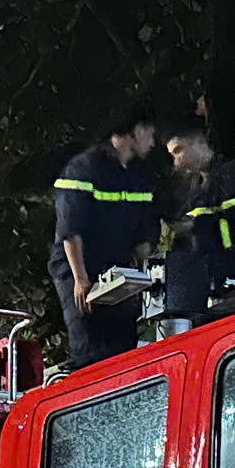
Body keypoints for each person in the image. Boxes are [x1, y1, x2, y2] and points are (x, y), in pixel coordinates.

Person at [48, 103, 158, 368]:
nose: (153, 142)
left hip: (116, 267)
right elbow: (70, 230)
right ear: (135, 131)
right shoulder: (84, 168)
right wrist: (80, 279)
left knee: (123, 346)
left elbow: (142, 238)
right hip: (77, 267)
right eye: (150, 134)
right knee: (90, 345)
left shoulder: (137, 176)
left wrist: (144, 278)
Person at [159, 112, 235, 318]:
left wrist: (192, 225)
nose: (176, 161)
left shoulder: (231, 173)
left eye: (178, 151)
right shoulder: (194, 185)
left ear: (198, 143)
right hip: (212, 288)